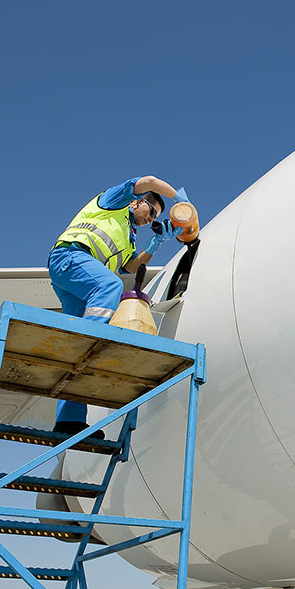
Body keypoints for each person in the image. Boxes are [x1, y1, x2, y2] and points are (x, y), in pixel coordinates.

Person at [48, 175, 191, 435]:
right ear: (138, 202)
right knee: (110, 286)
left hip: (78, 279)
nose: (152, 220)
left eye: (155, 219)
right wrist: (178, 199)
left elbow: (130, 266)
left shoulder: (128, 237)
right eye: (152, 212)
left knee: (77, 345)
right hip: (70, 257)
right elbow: (149, 180)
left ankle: (69, 422)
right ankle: (94, 341)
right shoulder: (114, 202)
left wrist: (156, 244)